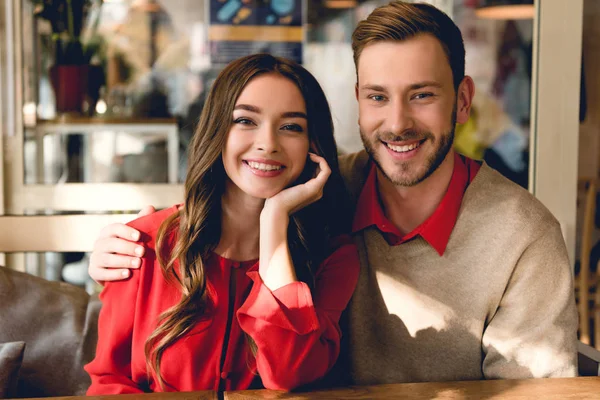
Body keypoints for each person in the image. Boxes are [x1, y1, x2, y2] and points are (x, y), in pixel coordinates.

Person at [88, 1, 578, 386]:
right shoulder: (319, 193)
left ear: (464, 99)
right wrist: (117, 248)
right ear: (359, 102)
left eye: (423, 95)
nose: (398, 122)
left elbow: (537, 393)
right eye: (378, 97)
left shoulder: (523, 237)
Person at [84, 53, 360, 394]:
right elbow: (110, 382)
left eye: (291, 127)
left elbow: (289, 375)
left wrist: (274, 220)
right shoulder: (143, 244)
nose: (268, 144)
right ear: (217, 129)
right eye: (245, 121)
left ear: (312, 145)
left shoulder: (334, 257)